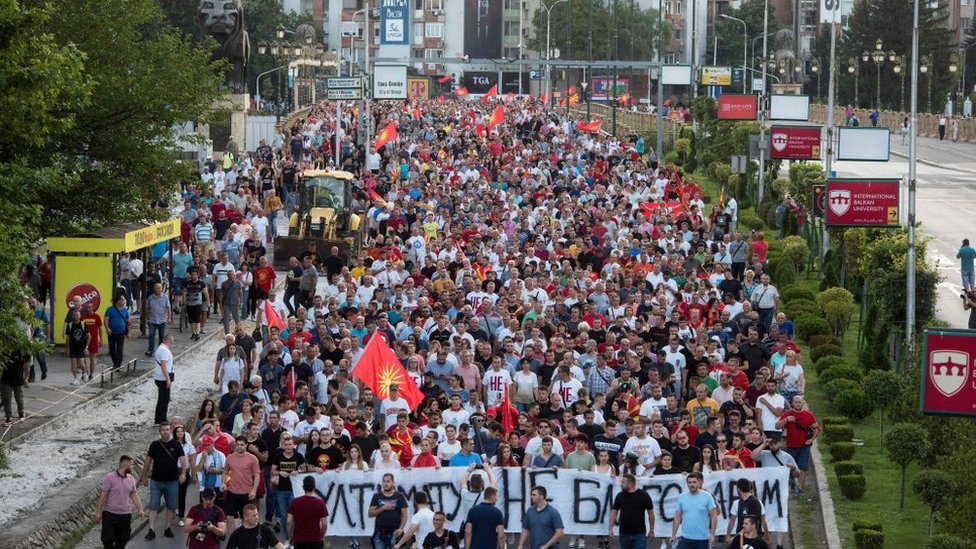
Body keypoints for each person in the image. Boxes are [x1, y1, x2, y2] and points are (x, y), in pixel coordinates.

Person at [139, 422, 188, 541]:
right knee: (153, 505)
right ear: (160, 432)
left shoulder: (176, 444)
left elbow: (183, 460)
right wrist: (144, 476)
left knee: (171, 506)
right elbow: (148, 461)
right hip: (156, 481)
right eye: (163, 430)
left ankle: (167, 528)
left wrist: (183, 474)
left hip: (172, 481)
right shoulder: (154, 445)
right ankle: (151, 529)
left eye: (167, 429)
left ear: (170, 431)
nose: (165, 432)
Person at [96, 455, 145, 549]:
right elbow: (103, 495)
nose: (132, 467)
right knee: (107, 539)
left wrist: (140, 509)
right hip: (110, 514)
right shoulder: (110, 477)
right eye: (131, 465)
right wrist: (98, 512)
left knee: (122, 541)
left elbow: (134, 495)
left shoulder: (131, 479)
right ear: (125, 464)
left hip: (125, 515)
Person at [775, 395, 820, 491]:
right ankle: (792, 486)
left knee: (803, 467)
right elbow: (777, 426)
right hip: (791, 445)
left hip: (804, 446)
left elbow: (817, 428)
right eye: (796, 402)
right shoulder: (788, 414)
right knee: (790, 467)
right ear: (792, 403)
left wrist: (812, 439)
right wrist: (786, 419)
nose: (798, 404)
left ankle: (800, 489)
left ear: (803, 403)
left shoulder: (808, 414)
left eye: (799, 402)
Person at [224, 436, 262, 536]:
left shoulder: (252, 458)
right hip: (232, 492)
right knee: (229, 517)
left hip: (246, 493)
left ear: (246, 445)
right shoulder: (230, 457)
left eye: (242, 445)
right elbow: (226, 472)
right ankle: (232, 540)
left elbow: (257, 475)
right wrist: (224, 483)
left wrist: (254, 490)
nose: (239, 447)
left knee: (245, 518)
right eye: (237, 445)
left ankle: (245, 538)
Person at [670, 472, 717, 549]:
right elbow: (677, 517)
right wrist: (673, 535)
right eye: (689, 482)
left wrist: (712, 535)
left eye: (694, 482)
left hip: (702, 538)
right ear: (687, 483)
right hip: (685, 538)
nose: (692, 484)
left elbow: (714, 516)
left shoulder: (707, 496)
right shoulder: (682, 497)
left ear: (699, 483)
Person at [608, 473, 655, 549]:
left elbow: (651, 514)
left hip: (640, 535)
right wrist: (610, 529)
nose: (621, 484)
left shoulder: (644, 495)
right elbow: (614, 513)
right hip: (624, 534)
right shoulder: (619, 496)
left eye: (623, 482)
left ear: (630, 484)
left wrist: (651, 530)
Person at [368, 472, 409, 549]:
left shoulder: (400, 496)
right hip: (379, 532)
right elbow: (370, 514)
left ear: (393, 482)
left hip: (395, 532)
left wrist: (401, 529)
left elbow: (405, 515)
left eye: (388, 481)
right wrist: (383, 508)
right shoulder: (377, 496)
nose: (385, 484)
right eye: (384, 481)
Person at [287, 475, 328, 549]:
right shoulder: (320, 503)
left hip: (299, 540)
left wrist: (290, 536)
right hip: (315, 540)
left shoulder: (294, 502)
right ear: (314, 487)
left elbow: (289, 522)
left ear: (303, 487)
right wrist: (321, 536)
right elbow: (324, 524)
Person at [153, 334, 176, 425]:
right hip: (163, 378)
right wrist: (168, 379)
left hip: (161, 377)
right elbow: (163, 365)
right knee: (164, 399)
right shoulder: (163, 350)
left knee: (162, 398)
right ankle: (161, 419)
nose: (172, 343)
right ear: (168, 340)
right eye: (172, 341)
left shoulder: (162, 349)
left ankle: (160, 418)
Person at [104, 294, 131, 371]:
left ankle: (118, 365)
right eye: (123, 300)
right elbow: (106, 320)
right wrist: (107, 328)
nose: (124, 301)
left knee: (120, 349)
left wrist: (128, 332)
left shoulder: (125, 310)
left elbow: (128, 322)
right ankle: (115, 363)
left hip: (121, 333)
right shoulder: (110, 309)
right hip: (111, 332)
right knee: (112, 349)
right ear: (118, 301)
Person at [145, 282, 171, 357]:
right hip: (153, 320)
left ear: (162, 289)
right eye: (156, 288)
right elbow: (148, 309)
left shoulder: (165, 297)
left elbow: (168, 308)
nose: (158, 290)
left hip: (162, 320)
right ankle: (151, 350)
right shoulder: (151, 298)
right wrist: (147, 318)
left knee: (162, 336)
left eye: (159, 288)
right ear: (154, 289)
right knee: (151, 335)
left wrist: (169, 318)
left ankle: (161, 350)